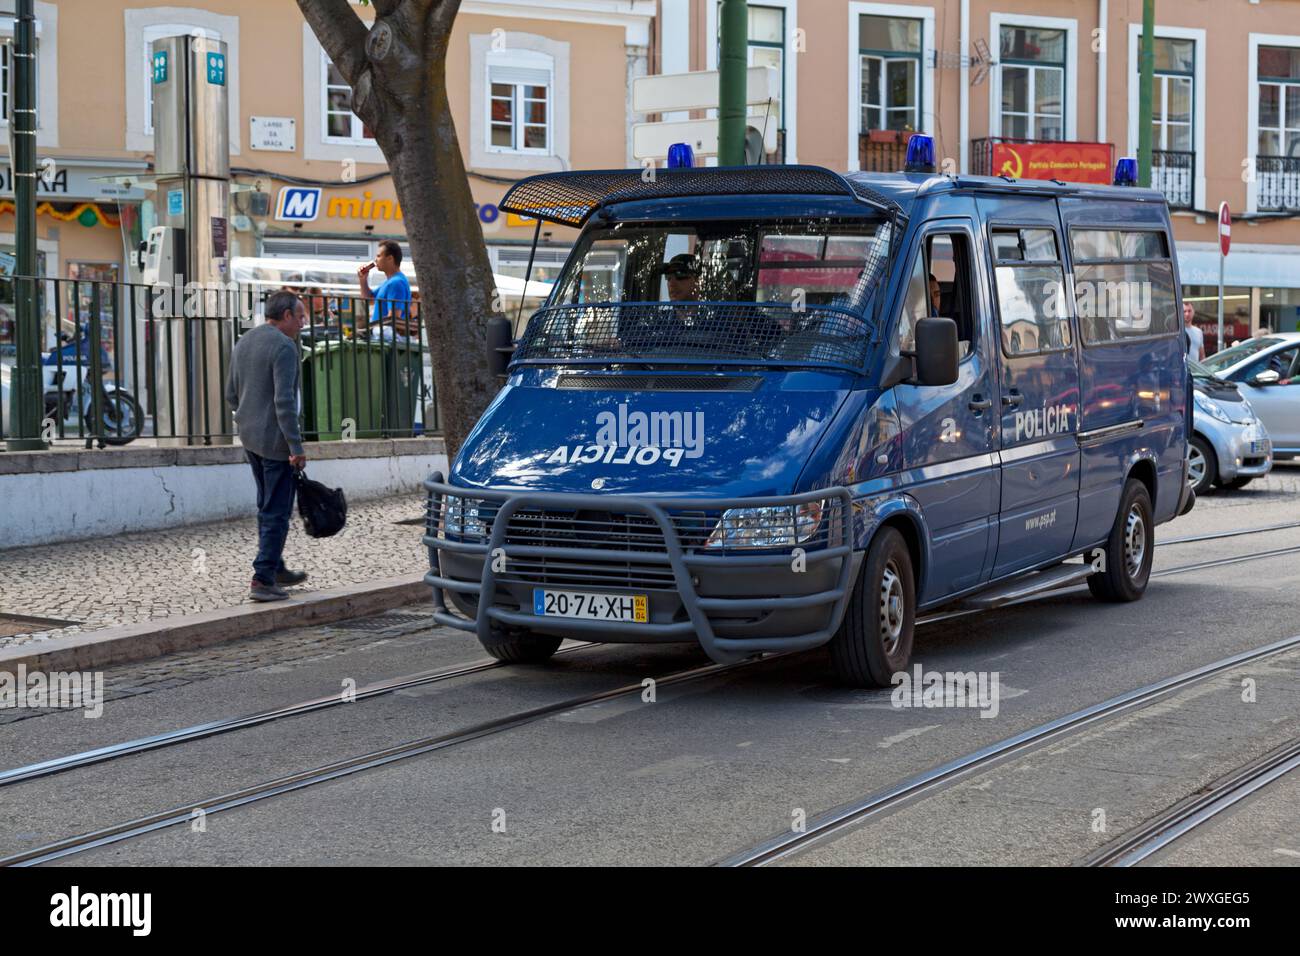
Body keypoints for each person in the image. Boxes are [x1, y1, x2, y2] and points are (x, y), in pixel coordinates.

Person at [225, 290, 310, 602]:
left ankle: (276, 566)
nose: (303, 322)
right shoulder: (284, 347)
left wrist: (248, 417)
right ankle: (262, 577)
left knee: (267, 503)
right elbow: (284, 402)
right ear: (285, 315)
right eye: (300, 316)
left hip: (250, 437)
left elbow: (231, 394)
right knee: (276, 509)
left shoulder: (244, 341)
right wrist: (296, 446)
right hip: (275, 442)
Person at [358, 240, 415, 341]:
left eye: (379, 256)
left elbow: (393, 318)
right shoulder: (390, 282)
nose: (376, 260)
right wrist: (363, 279)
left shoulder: (396, 283)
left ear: (390, 258)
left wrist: (372, 328)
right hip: (383, 337)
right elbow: (369, 299)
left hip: (387, 340)